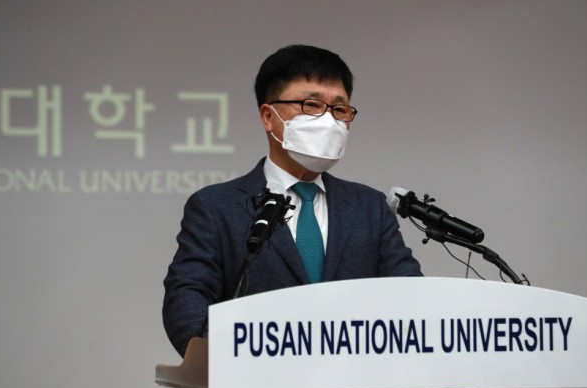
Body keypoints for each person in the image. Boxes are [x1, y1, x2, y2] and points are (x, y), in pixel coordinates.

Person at [163, 44, 422, 357]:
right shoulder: (216, 207)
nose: (328, 121)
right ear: (268, 117)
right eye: (311, 105)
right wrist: (225, 359)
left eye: (340, 110)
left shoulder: (370, 208)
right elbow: (187, 299)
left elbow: (411, 297)